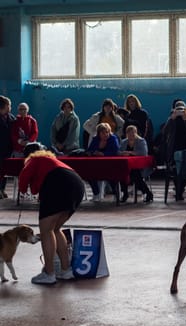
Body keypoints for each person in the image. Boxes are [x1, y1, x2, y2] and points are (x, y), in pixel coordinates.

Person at [18, 142, 85, 284]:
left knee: (46, 231)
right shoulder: (50, 160)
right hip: (77, 185)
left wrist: (23, 189)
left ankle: (49, 274)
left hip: (57, 184)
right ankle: (66, 271)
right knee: (55, 229)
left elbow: (24, 176)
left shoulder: (33, 159)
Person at [162, 100, 186, 200]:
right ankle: (178, 192)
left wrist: (185, 119)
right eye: (178, 109)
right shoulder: (171, 119)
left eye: (182, 109)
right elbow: (164, 132)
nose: (180, 111)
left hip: (185, 147)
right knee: (176, 170)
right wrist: (172, 119)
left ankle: (181, 190)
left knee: (184, 170)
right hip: (174, 148)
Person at [119, 125, 153, 203]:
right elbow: (118, 151)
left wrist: (130, 153)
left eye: (133, 133)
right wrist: (123, 153)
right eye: (129, 133)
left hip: (140, 166)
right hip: (126, 165)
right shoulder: (123, 142)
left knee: (135, 175)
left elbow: (143, 153)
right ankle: (125, 193)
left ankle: (147, 193)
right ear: (126, 134)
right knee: (121, 173)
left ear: (136, 133)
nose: (131, 135)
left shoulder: (141, 141)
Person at [87, 122, 120, 202]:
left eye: (107, 132)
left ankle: (116, 194)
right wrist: (93, 153)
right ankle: (96, 194)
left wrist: (104, 154)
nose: (105, 134)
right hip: (96, 165)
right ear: (98, 133)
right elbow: (89, 151)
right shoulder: (95, 139)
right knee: (88, 174)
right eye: (103, 132)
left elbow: (116, 152)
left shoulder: (113, 139)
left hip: (111, 165)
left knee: (111, 175)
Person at [0, 96, 16, 199]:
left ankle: (2, 189)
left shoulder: (11, 118)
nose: (10, 107)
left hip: (8, 149)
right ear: (4, 106)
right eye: (9, 105)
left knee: (4, 170)